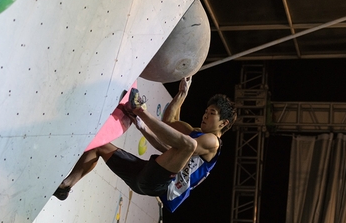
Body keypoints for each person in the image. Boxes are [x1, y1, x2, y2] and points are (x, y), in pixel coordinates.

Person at [53, 76, 236, 212]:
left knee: (187, 145)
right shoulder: (196, 133)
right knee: (100, 146)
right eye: (206, 111)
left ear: (223, 123)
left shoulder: (213, 142)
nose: (205, 115)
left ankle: (139, 108)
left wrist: (141, 113)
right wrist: (181, 94)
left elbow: (182, 145)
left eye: (211, 113)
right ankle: (65, 187)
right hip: (144, 176)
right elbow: (169, 123)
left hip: (159, 182)